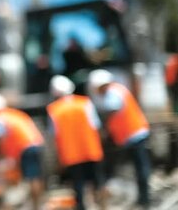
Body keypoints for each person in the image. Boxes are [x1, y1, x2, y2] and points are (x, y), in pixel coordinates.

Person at [87, 69, 151, 208]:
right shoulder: (116, 90)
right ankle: (142, 198)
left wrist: (102, 126)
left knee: (138, 168)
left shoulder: (113, 92)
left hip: (134, 134)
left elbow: (112, 110)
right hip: (130, 135)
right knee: (136, 167)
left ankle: (145, 199)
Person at [47, 75, 106, 210]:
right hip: (91, 149)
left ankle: (82, 207)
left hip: (71, 154)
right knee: (98, 182)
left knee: (78, 185)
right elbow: (96, 126)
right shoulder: (85, 102)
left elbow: (54, 136)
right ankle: (103, 206)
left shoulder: (54, 109)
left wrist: (57, 159)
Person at [0, 93, 45, 210]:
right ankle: (36, 204)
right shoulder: (13, 113)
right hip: (35, 143)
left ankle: (36, 206)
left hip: (25, 147)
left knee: (32, 177)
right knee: (35, 176)